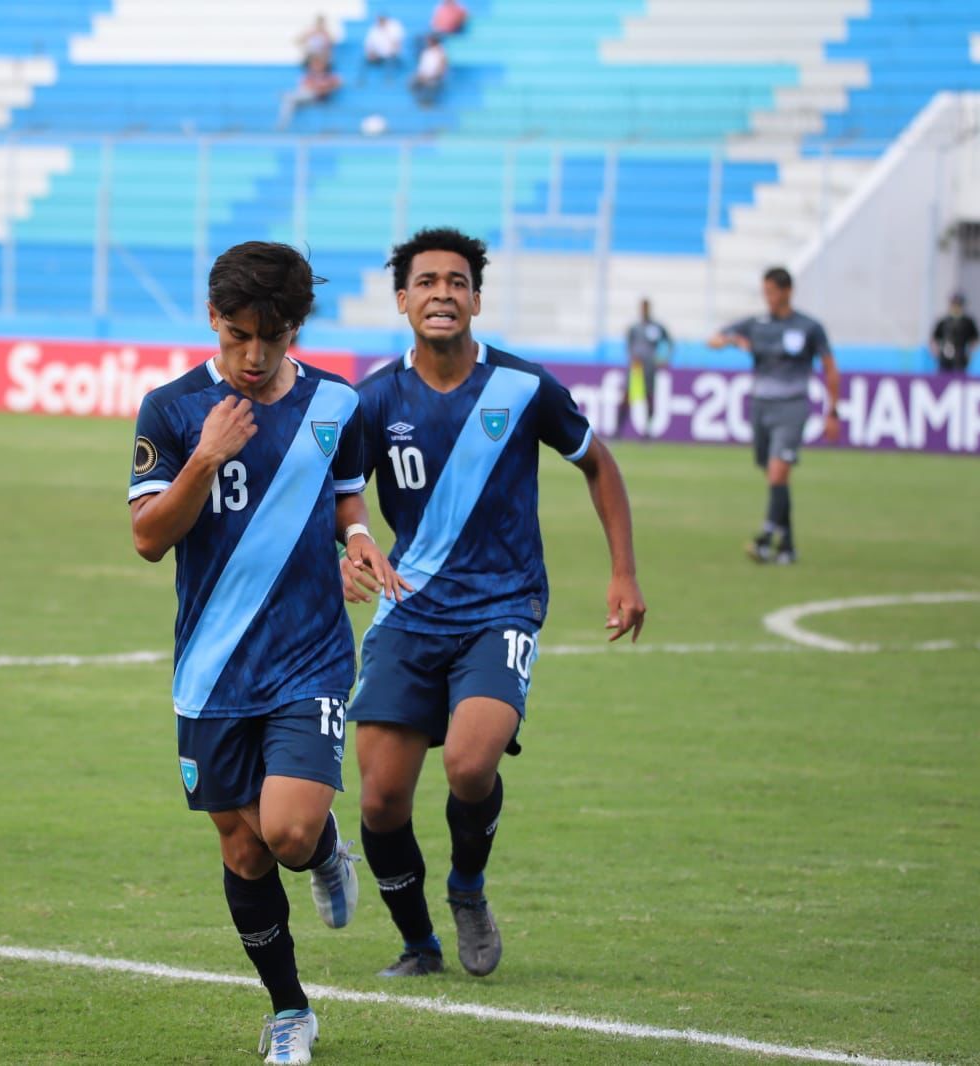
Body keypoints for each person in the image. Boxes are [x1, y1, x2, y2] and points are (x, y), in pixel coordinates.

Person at [342, 227, 647, 979]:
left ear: (476, 299)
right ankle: (419, 943)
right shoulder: (374, 399)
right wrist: (350, 542)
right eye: (426, 282)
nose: (441, 292)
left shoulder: (523, 386)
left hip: (500, 608)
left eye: (456, 281)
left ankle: (468, 887)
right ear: (403, 299)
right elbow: (340, 498)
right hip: (407, 610)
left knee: (471, 767)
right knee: (380, 802)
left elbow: (598, 465)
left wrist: (624, 574)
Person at [127, 242, 403, 1065]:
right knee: (242, 847)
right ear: (214, 318)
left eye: (272, 338)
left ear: (295, 330)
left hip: (309, 655)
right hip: (210, 670)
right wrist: (207, 456)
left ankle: (322, 853)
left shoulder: (336, 405)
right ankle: (291, 1011)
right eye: (240, 334)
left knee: (285, 830)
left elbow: (346, 498)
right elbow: (147, 539)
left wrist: (357, 538)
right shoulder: (171, 410)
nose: (254, 355)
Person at [708, 266, 840, 565]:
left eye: (772, 292)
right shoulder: (757, 324)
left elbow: (831, 367)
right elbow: (712, 339)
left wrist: (832, 410)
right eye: (765, 292)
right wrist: (732, 341)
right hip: (760, 406)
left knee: (779, 471)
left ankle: (766, 538)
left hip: (792, 407)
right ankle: (788, 546)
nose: (767, 298)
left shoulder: (808, 327)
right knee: (774, 477)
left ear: (787, 291)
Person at [622, 297, 673, 437]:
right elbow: (629, 345)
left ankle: (647, 431)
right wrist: (632, 357)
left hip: (650, 367)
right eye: (642, 307)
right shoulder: (634, 327)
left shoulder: (656, 327)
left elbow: (669, 342)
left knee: (649, 397)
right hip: (636, 367)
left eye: (646, 307)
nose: (644, 310)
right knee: (626, 396)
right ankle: (618, 431)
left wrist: (664, 359)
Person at [278, 53, 342, 130]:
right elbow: (304, 85)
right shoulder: (309, 75)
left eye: (319, 63)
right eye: (314, 63)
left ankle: (289, 96)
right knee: (292, 97)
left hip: (317, 97)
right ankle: (283, 121)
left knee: (290, 97)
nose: (316, 65)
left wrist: (322, 88)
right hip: (307, 95)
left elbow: (337, 85)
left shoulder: (330, 76)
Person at [930, 292, 980, 374]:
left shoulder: (968, 322)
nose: (956, 307)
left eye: (958, 304)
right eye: (954, 304)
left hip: (961, 357)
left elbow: (974, 339)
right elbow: (934, 339)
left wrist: (969, 353)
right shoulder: (943, 321)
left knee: (959, 377)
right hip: (944, 359)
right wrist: (937, 354)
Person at [411, 35, 448, 107]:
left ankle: (428, 101)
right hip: (424, 76)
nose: (426, 42)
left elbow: (442, 68)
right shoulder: (426, 52)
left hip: (435, 77)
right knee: (413, 83)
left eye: (428, 41)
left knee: (430, 84)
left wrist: (431, 76)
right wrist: (421, 75)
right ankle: (421, 100)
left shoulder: (441, 52)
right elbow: (422, 67)